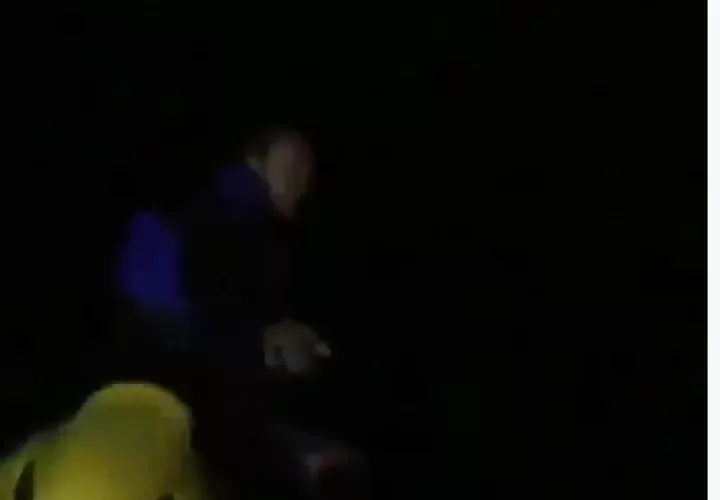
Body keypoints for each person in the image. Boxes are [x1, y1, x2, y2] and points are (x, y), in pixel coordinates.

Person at [114, 126, 359, 495]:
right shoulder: (231, 216)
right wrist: (271, 348)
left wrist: (276, 335)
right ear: (254, 161)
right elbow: (212, 329)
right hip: (178, 409)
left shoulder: (247, 220)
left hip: (189, 397)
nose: (304, 176)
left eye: (309, 164)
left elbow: (233, 312)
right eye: (292, 162)